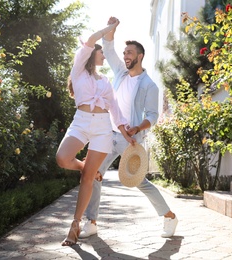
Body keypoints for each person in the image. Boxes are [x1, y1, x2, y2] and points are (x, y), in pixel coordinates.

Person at [80, 17, 178, 239]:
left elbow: (153, 115)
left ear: (140, 56)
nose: (125, 57)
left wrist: (137, 127)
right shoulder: (121, 73)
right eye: (125, 54)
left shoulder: (149, 85)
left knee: (139, 181)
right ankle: (91, 221)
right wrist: (112, 29)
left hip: (128, 138)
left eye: (130, 53)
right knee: (94, 174)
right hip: (107, 134)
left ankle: (169, 216)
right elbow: (108, 47)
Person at [56, 19, 135, 246]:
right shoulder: (79, 70)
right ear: (93, 54)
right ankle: (87, 168)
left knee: (87, 178)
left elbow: (115, 110)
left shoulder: (106, 81)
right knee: (62, 158)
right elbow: (91, 41)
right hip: (81, 122)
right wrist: (109, 30)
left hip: (102, 127)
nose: (102, 57)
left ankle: (75, 225)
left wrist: (125, 132)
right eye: (100, 54)